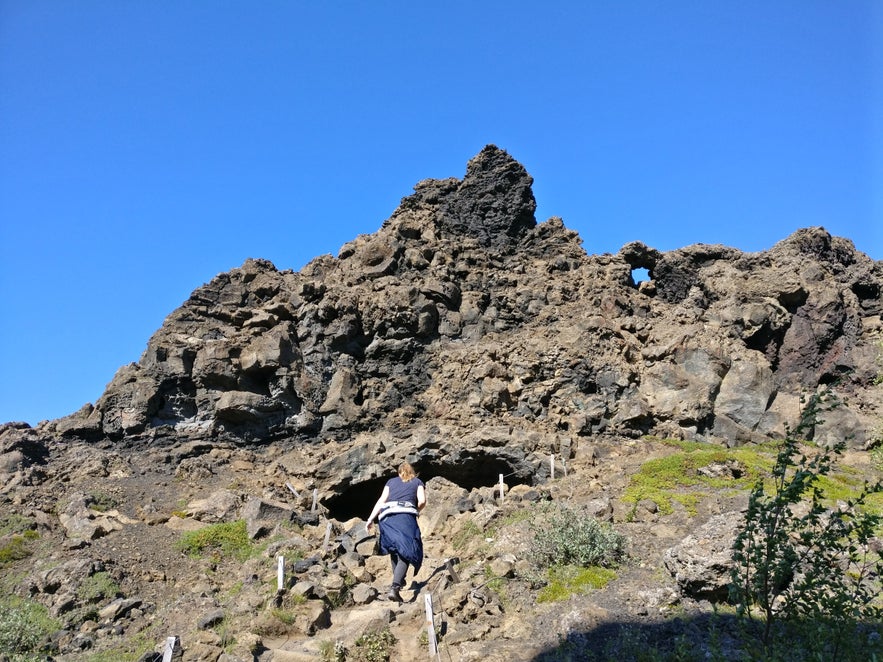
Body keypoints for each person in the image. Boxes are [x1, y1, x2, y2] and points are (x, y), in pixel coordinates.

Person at [366, 461, 426, 602]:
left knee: (394, 548)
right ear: (412, 472)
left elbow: (381, 500)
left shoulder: (391, 482)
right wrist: (415, 510)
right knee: (407, 551)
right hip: (404, 518)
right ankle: (395, 587)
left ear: (399, 473)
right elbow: (422, 501)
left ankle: (398, 579)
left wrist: (370, 519)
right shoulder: (417, 482)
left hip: (386, 519)